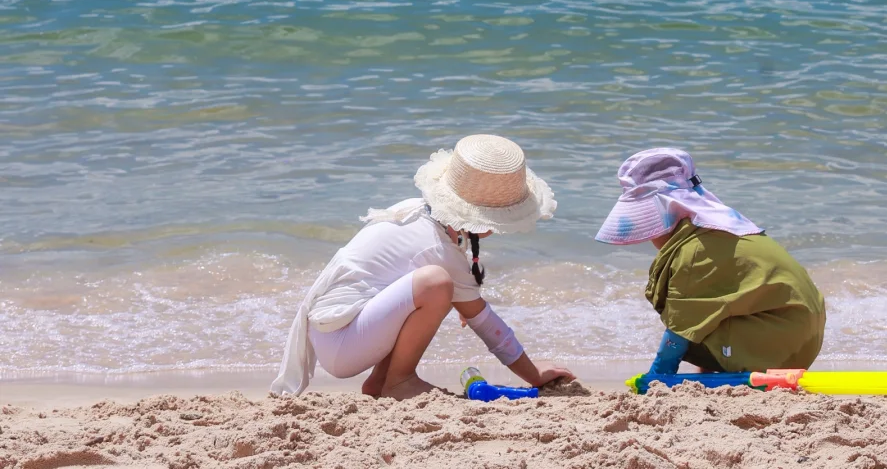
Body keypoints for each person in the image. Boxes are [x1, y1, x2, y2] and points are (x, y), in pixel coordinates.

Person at [272, 134, 575, 399]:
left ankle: (380, 382)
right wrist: (533, 374)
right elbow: (487, 325)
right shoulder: (440, 249)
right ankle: (399, 382)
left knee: (426, 285)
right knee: (435, 284)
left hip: (335, 331)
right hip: (342, 342)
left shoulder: (419, 212)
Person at [596, 147, 825, 376]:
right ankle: (719, 365)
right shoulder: (722, 229)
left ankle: (732, 366)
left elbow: (680, 331)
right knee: (707, 312)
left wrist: (657, 376)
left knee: (686, 322)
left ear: (666, 214)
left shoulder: (694, 251)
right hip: (800, 339)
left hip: (778, 350)